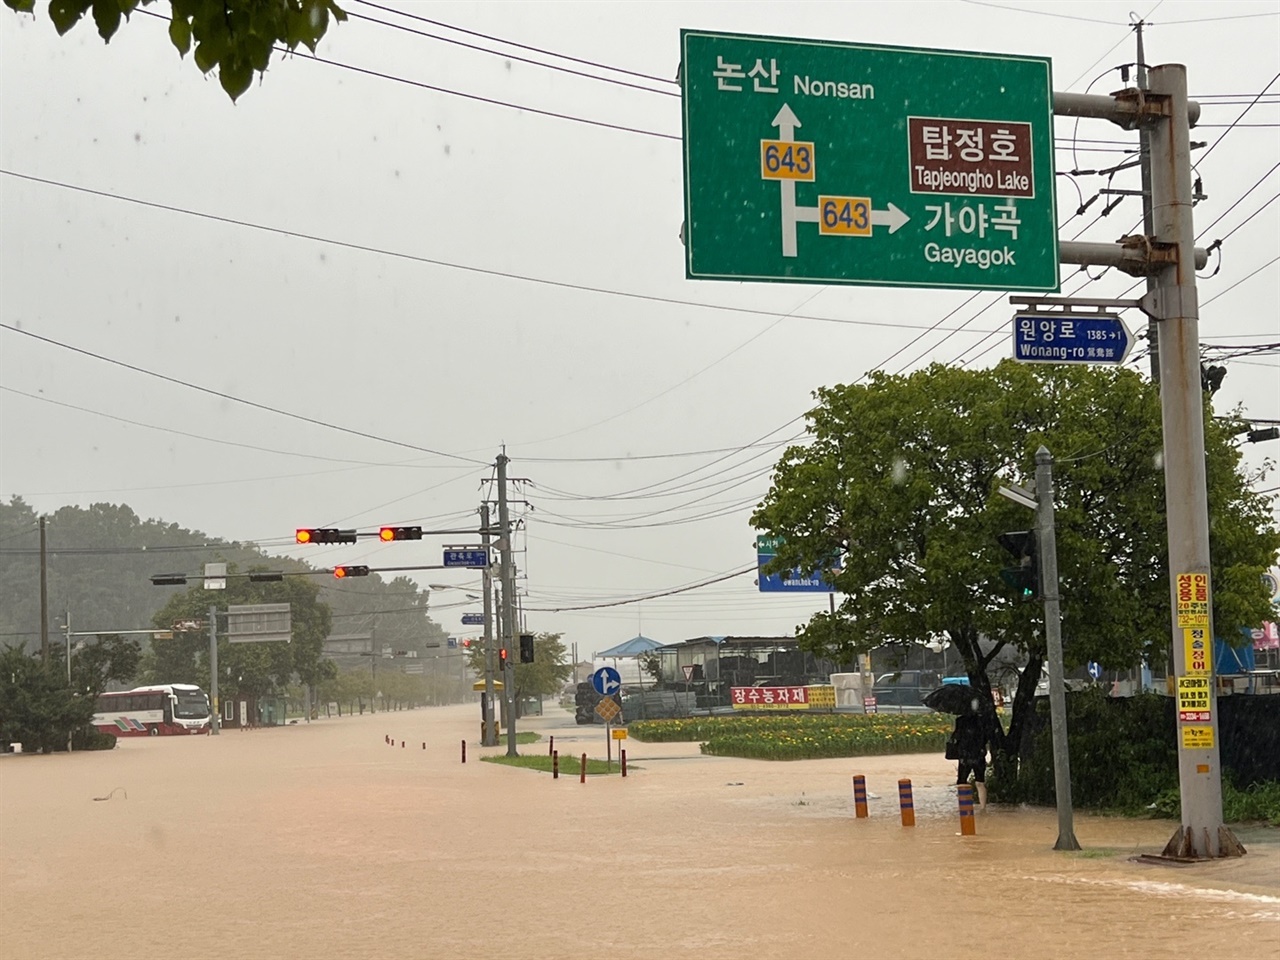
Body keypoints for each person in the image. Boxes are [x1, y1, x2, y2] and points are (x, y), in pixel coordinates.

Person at [951, 712, 989, 810]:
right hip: (978, 754)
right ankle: (983, 808)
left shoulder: (960, 721)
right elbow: (986, 737)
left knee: (962, 782)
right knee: (980, 782)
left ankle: (964, 807)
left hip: (965, 755)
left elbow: (956, 737)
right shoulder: (983, 720)